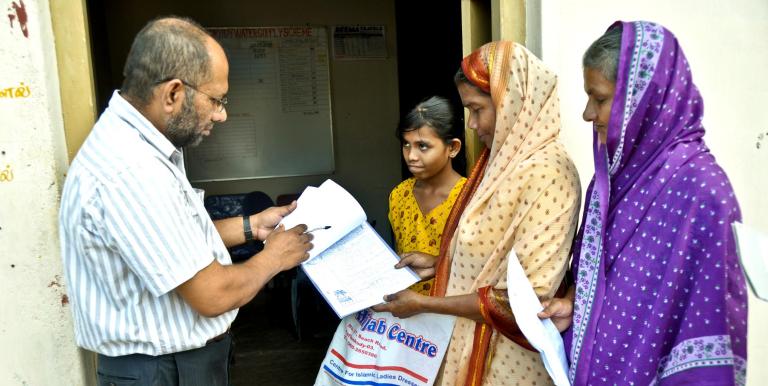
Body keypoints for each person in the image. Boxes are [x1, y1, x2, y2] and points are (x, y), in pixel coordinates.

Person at [58, 17, 313, 385]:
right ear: (174, 93)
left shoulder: (138, 146)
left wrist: (251, 227)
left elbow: (168, 239)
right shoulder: (132, 169)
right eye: (216, 99)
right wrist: (275, 257)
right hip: (162, 371)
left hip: (173, 365)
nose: (221, 114)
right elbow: (213, 294)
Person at [539, 21, 748, 385]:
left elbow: (708, 329)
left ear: (642, 100)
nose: (588, 114)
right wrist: (574, 303)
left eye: (600, 99)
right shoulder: (609, 184)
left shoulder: (703, 194)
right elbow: (605, 280)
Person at [374, 41, 581, 385]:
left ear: (512, 102)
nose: (471, 124)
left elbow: (525, 299)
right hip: (470, 345)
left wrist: (424, 304)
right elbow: (488, 254)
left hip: (507, 362)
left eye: (477, 109)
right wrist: (439, 261)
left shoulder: (548, 173)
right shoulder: (500, 164)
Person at [389, 96, 466, 295]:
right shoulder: (399, 195)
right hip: (405, 313)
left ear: (452, 148)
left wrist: (437, 263)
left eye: (422, 146)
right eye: (406, 145)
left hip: (452, 311)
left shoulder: (470, 197)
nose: (411, 156)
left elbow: (479, 267)